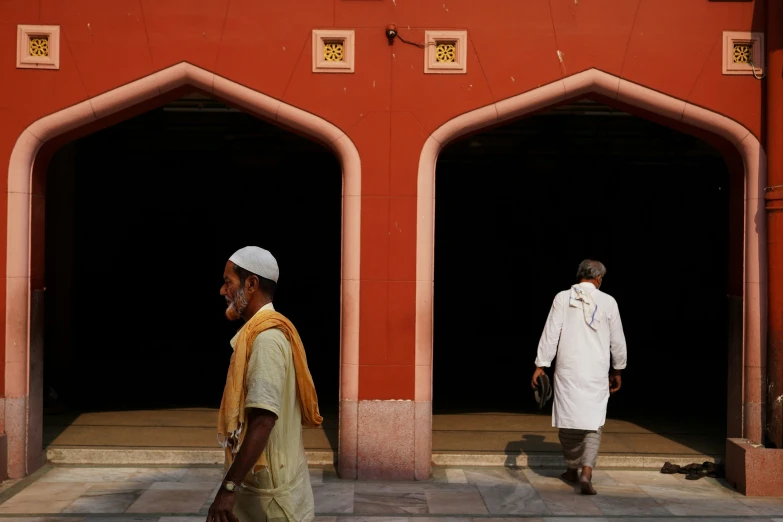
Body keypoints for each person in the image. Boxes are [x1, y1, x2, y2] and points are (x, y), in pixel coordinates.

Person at [207, 246, 322, 522]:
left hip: (272, 505)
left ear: (251, 284)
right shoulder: (260, 335)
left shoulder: (266, 341)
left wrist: (228, 488)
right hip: (266, 498)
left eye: (228, 282)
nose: (223, 291)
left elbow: (262, 421)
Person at [530, 259, 627, 495]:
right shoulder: (608, 301)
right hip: (596, 370)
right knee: (594, 421)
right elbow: (618, 340)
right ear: (599, 278)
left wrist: (541, 364)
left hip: (568, 369)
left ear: (579, 275)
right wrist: (618, 369)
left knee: (569, 419)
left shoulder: (562, 297)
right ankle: (585, 471)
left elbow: (551, 332)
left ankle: (572, 469)